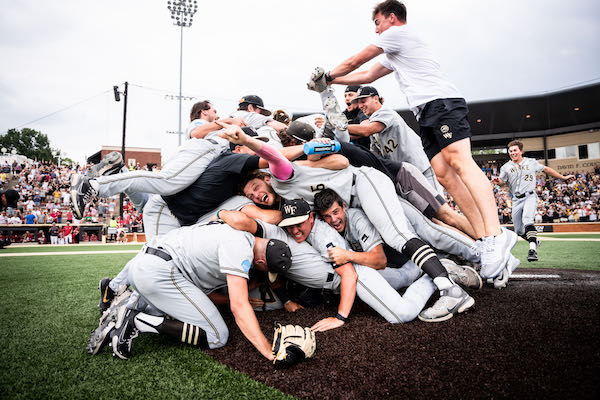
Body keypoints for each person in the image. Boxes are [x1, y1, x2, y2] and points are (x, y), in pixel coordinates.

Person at [311, 0, 517, 280]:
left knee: (460, 161)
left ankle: (496, 234)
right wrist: (332, 84)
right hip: (426, 110)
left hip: (441, 102)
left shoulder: (397, 34)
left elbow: (357, 61)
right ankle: (483, 239)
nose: (377, 29)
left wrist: (329, 75)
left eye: (378, 22)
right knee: (445, 175)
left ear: (392, 18)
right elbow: (369, 74)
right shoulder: (395, 51)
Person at [221, 124, 474, 322]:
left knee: (402, 234)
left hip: (361, 184)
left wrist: (245, 141)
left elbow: (274, 156)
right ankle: (455, 267)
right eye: (251, 195)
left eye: (256, 187)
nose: (255, 195)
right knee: (418, 234)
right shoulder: (286, 199)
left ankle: (451, 287)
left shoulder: (280, 176)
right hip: (353, 203)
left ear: (265, 178)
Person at [91, 222, 293, 361]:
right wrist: (268, 350)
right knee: (217, 336)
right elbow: (239, 307)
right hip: (160, 274)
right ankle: (137, 321)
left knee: (165, 309)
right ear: (261, 262)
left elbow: (201, 295)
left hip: (143, 264)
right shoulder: (241, 248)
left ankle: (119, 313)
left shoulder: (236, 232)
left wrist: (248, 288)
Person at [492, 140, 575, 262]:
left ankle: (532, 250)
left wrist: (563, 178)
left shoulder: (531, 162)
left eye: (515, 150)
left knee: (527, 220)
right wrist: (497, 182)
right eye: (510, 151)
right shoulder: (506, 167)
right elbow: (502, 182)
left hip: (530, 196)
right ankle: (535, 240)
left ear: (521, 151)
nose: (512, 153)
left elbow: (546, 169)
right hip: (516, 199)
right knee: (519, 230)